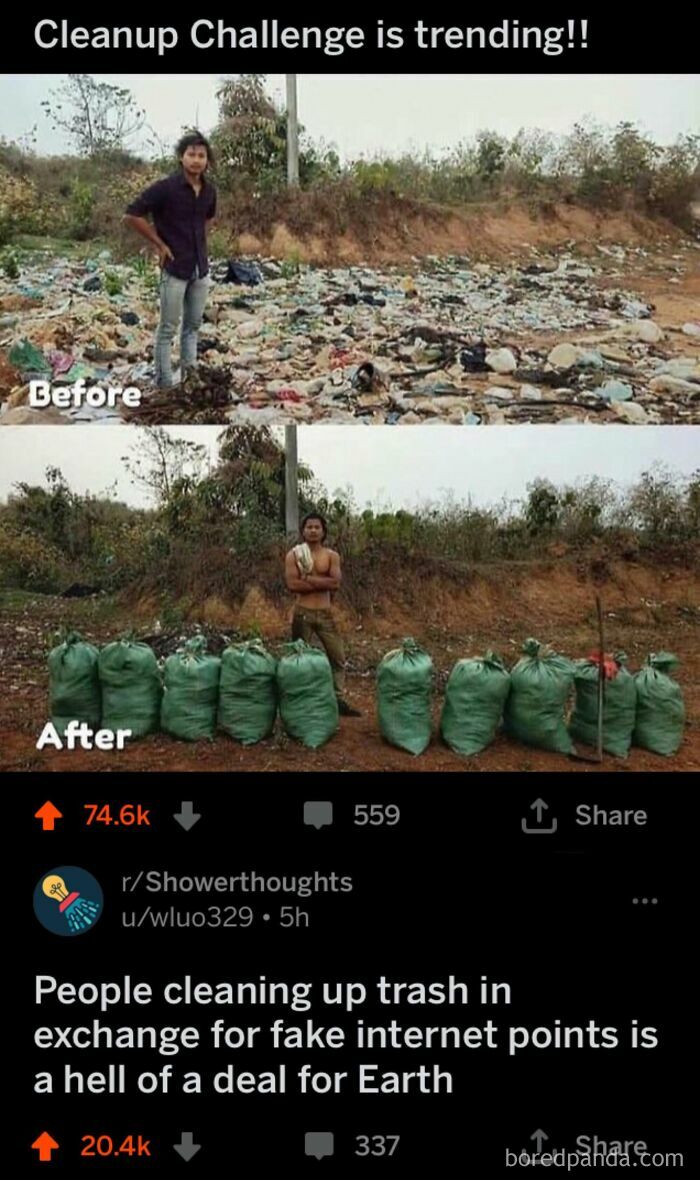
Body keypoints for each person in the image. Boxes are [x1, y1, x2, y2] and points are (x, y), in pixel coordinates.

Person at [124, 131, 217, 389]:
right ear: (181, 157)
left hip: (200, 270)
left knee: (193, 327)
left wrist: (199, 242)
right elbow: (132, 214)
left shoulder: (209, 192)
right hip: (174, 269)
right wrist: (160, 244)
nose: (196, 160)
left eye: (201, 155)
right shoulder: (165, 188)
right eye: (191, 154)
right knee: (167, 329)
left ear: (207, 160)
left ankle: (189, 379)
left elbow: (208, 218)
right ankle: (164, 384)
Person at [285, 513, 361, 717]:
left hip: (325, 614)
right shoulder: (295, 555)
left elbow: (335, 583)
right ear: (303, 531)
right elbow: (292, 585)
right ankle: (300, 700)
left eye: (317, 527)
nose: (313, 530)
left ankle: (337, 699)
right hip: (303, 613)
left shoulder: (331, 556)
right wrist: (321, 582)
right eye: (309, 527)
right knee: (299, 660)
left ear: (323, 531)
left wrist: (307, 579)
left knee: (338, 658)